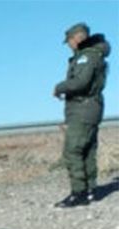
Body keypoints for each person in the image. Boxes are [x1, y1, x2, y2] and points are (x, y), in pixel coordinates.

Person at [53, 22, 110, 208]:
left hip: (83, 108)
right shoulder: (95, 55)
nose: (69, 45)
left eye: (69, 41)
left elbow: (81, 82)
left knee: (73, 150)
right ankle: (90, 190)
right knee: (87, 150)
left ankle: (78, 192)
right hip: (90, 107)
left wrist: (60, 87)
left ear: (77, 38)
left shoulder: (86, 57)